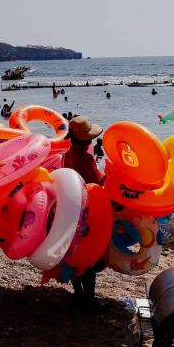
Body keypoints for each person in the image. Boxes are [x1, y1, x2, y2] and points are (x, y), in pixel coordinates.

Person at [62, 115, 107, 311]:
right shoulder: (86, 158)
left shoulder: (67, 155)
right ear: (88, 140)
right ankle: (89, 300)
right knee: (89, 257)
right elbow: (97, 182)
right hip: (87, 210)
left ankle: (78, 294)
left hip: (70, 209)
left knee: (74, 253)